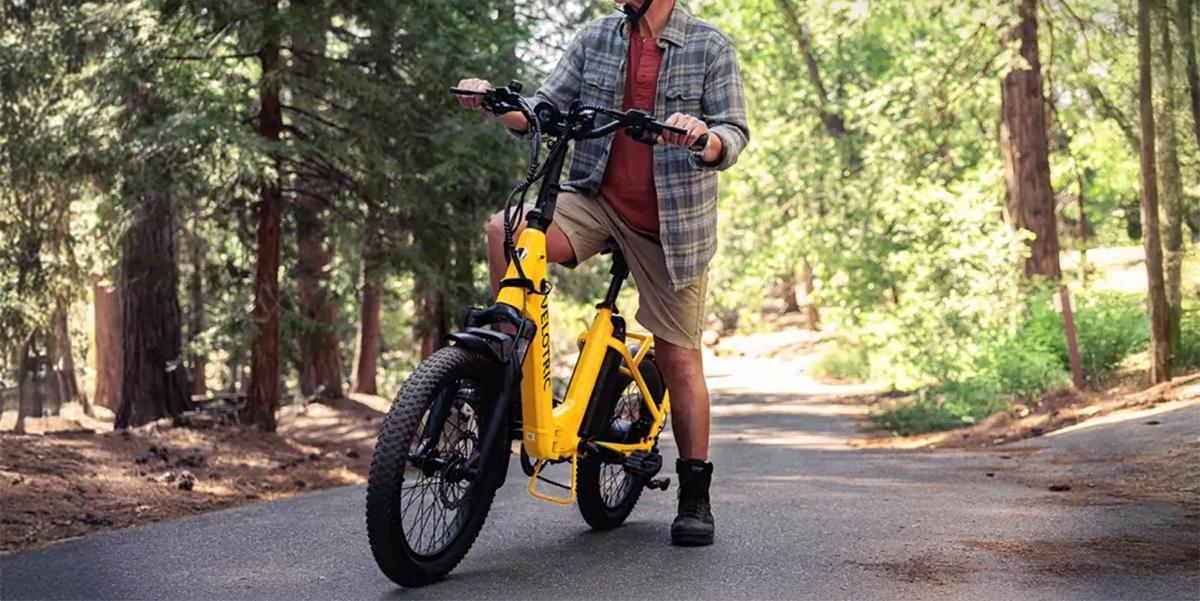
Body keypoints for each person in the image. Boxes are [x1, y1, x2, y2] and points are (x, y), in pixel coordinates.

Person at [455, 0, 749, 547]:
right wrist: (497, 103)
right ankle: (506, 370)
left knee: (679, 359)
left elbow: (732, 135)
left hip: (671, 225)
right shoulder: (596, 37)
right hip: (595, 200)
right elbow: (542, 109)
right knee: (506, 230)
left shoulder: (710, 46)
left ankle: (695, 495)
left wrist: (703, 138)